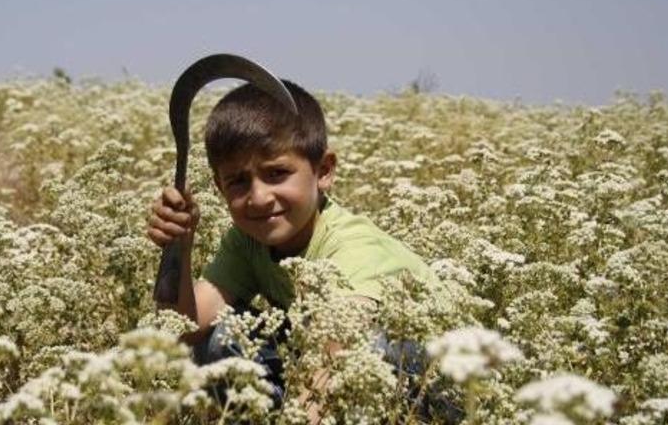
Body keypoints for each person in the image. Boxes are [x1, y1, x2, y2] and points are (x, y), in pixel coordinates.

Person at [146, 80, 448, 419]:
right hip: (328, 371)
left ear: (324, 171)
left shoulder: (352, 247)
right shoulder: (247, 240)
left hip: (439, 386)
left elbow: (334, 357)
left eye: (277, 173)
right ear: (219, 187)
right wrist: (178, 247)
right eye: (238, 181)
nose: (258, 197)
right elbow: (180, 332)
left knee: (366, 353)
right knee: (223, 340)